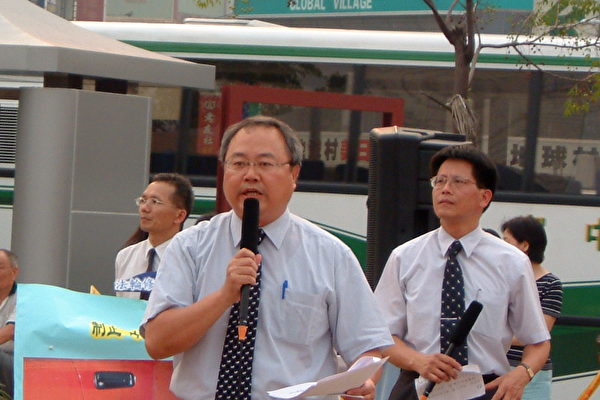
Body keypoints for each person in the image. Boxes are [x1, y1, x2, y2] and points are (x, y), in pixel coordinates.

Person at [141, 115, 393, 400]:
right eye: (238, 164)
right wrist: (224, 296)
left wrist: (364, 380)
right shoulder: (189, 246)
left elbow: (367, 346)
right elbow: (158, 343)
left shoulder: (330, 254)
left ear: (294, 174)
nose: (250, 175)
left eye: (264, 164)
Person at [374, 144, 551, 400]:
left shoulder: (511, 262)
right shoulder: (405, 257)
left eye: (458, 182)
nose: (445, 189)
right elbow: (382, 336)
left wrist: (523, 373)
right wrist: (418, 360)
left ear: (484, 197)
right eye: (439, 181)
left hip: (484, 389)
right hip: (418, 385)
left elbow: (538, 341)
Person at [501, 215, 563, 400]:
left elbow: (539, 333)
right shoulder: (503, 278)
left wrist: (493, 337)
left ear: (524, 245)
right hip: (500, 367)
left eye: (507, 241)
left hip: (531, 373)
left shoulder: (550, 283)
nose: (501, 247)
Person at [114, 173, 193, 299]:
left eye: (155, 202)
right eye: (143, 200)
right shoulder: (125, 256)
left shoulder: (191, 260)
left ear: (179, 216)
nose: (144, 208)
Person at [0, 249, 18, 398]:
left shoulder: (24, 298)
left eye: (0, 267)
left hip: (14, 362)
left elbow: (9, 331)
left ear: (14, 272)